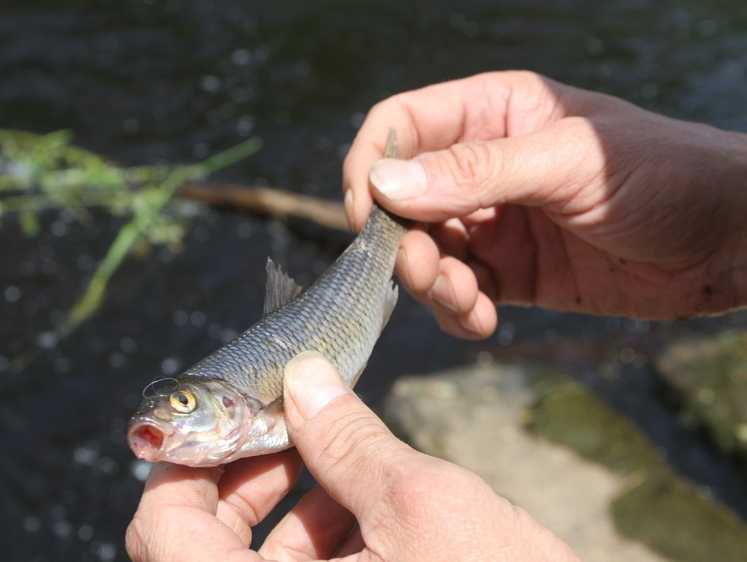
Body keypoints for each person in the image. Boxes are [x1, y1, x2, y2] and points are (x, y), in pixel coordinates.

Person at [126, 71, 747, 561]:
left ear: (232, 403)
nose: (168, 418)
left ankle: (392, 218)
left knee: (393, 248)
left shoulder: (262, 412)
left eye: (183, 405)